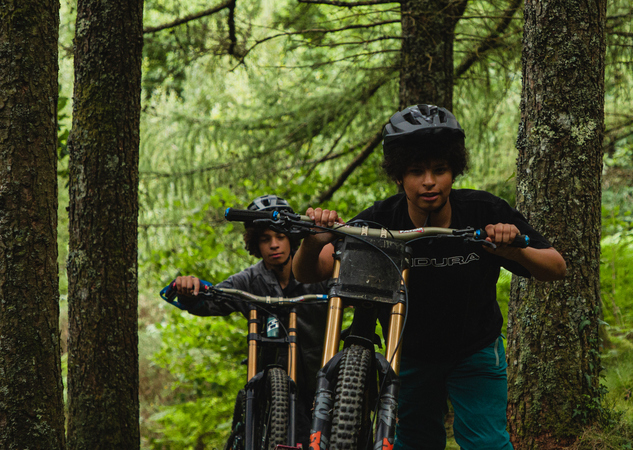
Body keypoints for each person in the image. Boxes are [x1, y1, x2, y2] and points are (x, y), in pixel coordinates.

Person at [293, 104, 566, 449]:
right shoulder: (380, 222)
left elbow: (556, 267)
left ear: (454, 171)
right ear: (398, 176)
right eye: (415, 171)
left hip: (476, 352)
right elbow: (307, 272)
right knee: (414, 443)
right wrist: (312, 240)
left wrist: (513, 250)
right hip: (409, 356)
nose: (429, 182)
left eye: (440, 169)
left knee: (488, 444)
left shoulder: (484, 212)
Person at [168, 194, 328, 448]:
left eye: (280, 237)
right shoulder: (249, 280)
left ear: (291, 239)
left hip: (320, 379)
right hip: (271, 390)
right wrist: (188, 290)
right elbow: (210, 300)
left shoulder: (317, 271)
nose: (274, 245)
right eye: (265, 239)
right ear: (256, 244)